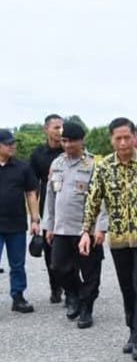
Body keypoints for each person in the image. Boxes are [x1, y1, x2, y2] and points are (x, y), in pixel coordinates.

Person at [80, 117, 137, 362]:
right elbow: (93, 200)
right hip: (118, 237)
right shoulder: (104, 166)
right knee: (127, 287)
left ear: (134, 138)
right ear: (111, 139)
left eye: (127, 137)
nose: (123, 142)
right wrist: (86, 231)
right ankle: (134, 330)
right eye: (118, 138)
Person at [42, 122, 106, 328]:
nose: (67, 145)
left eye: (72, 141)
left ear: (82, 141)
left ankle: (86, 308)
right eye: (64, 141)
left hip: (85, 229)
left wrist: (99, 227)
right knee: (58, 267)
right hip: (61, 228)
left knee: (90, 272)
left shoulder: (93, 164)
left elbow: (103, 200)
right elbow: (50, 197)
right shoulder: (57, 164)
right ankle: (74, 295)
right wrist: (49, 225)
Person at [0, 129, 39, 313]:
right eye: (7, 143)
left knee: (17, 264)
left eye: (12, 143)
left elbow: (31, 193)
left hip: (16, 224)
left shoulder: (22, 167)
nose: (12, 146)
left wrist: (34, 219)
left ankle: (18, 297)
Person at [29, 113, 64, 304]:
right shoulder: (37, 154)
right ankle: (55, 287)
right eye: (56, 127)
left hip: (68, 204)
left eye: (61, 127)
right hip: (47, 205)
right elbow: (31, 187)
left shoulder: (69, 149)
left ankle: (71, 287)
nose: (60, 131)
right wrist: (34, 217)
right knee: (50, 249)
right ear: (46, 129)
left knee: (70, 247)